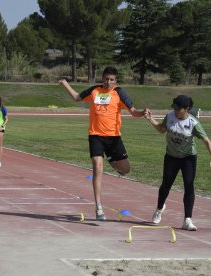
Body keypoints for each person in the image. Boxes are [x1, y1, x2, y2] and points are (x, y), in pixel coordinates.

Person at [59, 66, 147, 220]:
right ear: (102, 79)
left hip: (113, 138)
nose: (108, 82)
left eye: (111, 80)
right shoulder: (94, 90)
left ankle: (111, 159)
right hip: (96, 136)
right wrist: (65, 83)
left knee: (125, 170)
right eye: (106, 79)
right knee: (97, 167)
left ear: (116, 81)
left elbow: (133, 112)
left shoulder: (119, 93)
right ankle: (98, 206)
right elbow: (76, 97)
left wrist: (142, 112)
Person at [145, 95, 211, 231]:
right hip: (171, 157)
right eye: (175, 108)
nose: (176, 110)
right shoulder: (170, 116)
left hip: (188, 158)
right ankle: (159, 209)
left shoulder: (193, 123)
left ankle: (187, 220)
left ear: (187, 109)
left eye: (179, 109)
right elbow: (161, 129)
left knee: (189, 186)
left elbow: (206, 140)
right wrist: (150, 118)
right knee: (166, 185)